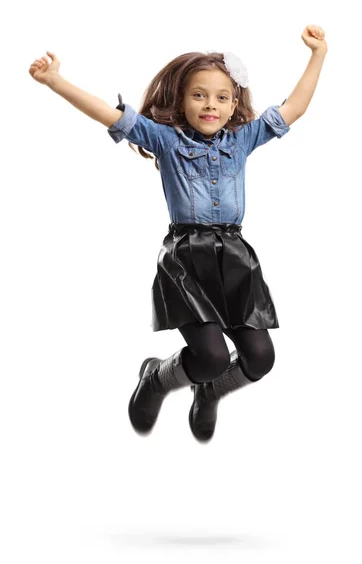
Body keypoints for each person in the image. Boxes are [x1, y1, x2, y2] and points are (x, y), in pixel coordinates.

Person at [29, 24, 327, 443]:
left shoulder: (241, 141)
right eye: (199, 95)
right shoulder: (166, 141)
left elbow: (294, 107)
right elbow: (107, 113)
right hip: (188, 258)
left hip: (236, 257)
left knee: (260, 358)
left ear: (233, 103)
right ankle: (155, 379)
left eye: (222, 97)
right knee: (208, 356)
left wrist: (318, 54)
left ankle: (209, 393)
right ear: (182, 101)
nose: (211, 105)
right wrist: (54, 80)